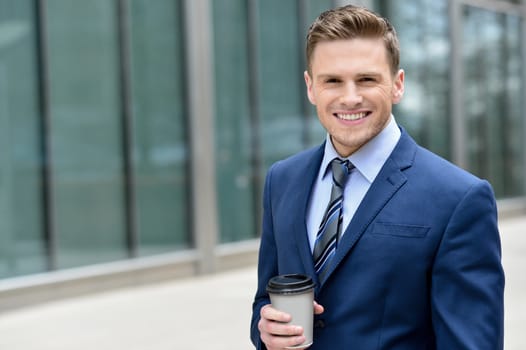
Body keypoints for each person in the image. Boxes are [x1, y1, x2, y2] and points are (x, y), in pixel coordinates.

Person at [250, 4, 504, 350]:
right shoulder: (282, 180)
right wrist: (266, 329)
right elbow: (265, 300)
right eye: (333, 81)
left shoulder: (459, 198)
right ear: (311, 87)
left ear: (397, 85)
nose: (350, 97)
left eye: (367, 79)